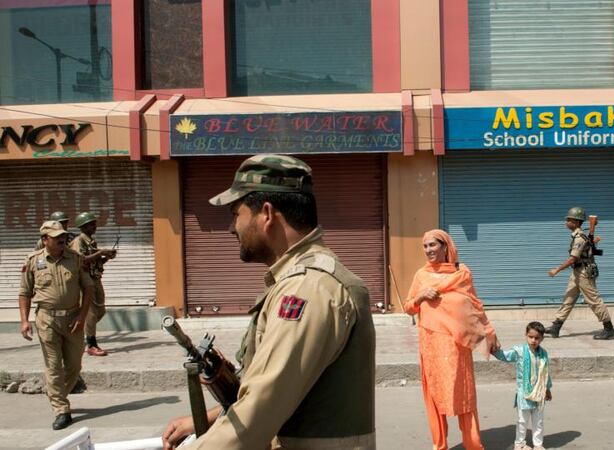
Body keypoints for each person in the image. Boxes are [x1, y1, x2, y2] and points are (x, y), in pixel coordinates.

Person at [161, 154, 376, 450]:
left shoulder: (308, 288)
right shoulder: (304, 279)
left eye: (236, 213)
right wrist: (214, 418)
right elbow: (284, 391)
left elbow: (257, 416)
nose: (231, 228)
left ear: (266, 213)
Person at [403, 229, 499, 450]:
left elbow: (476, 304)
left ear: (445, 246)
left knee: (464, 395)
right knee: (435, 395)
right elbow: (409, 307)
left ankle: (473, 445)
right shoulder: (421, 275)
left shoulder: (462, 273)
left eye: (432, 245)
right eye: (425, 246)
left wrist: (490, 330)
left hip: (458, 345)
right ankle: (440, 445)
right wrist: (420, 296)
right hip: (431, 344)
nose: (428, 250)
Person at [19, 220, 94, 430]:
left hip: (73, 318)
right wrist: (24, 321)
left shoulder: (76, 259)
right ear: (45, 240)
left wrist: (82, 315)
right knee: (53, 366)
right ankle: (61, 409)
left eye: (63, 236)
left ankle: (55, 393)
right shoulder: (33, 261)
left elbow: (88, 289)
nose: (62, 240)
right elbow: (24, 293)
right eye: (56, 237)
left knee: (75, 364)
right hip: (47, 319)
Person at [545, 207, 614, 340]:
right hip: (577, 271)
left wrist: (557, 270)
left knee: (593, 300)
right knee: (568, 298)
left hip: (584, 272)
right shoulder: (580, 236)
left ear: (577, 223)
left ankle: (609, 329)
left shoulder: (579, 238)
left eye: (569, 220)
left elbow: (573, 258)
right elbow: (586, 249)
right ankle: (556, 327)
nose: (566, 222)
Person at [493, 321, 552, 450]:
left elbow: (545, 373)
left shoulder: (544, 354)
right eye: (531, 337)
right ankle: (519, 444)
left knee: (538, 421)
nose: (533, 340)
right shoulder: (519, 351)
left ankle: (538, 444)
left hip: (539, 394)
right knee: (522, 421)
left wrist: (548, 389)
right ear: (526, 335)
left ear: (542, 338)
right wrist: (493, 349)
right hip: (524, 394)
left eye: (537, 338)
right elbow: (505, 356)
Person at [70, 212, 117, 356]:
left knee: (100, 311)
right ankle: (91, 344)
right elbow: (81, 260)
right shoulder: (79, 241)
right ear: (84, 226)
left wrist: (106, 257)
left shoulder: (91, 241)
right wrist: (100, 252)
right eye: (92, 224)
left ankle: (77, 330)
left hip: (96, 279)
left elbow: (95, 262)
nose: (95, 226)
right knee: (91, 313)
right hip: (86, 281)